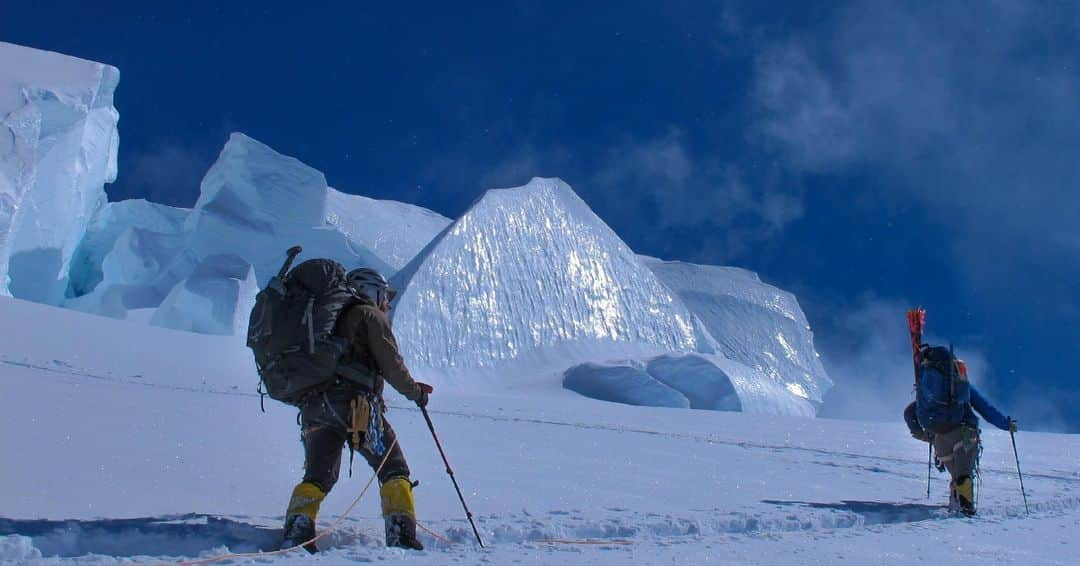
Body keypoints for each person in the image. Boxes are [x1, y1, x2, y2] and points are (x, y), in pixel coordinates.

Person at [280, 267, 433, 552]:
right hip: (356, 406)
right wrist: (415, 393)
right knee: (394, 468)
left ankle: (296, 532)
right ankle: (401, 536)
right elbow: (392, 364)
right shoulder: (369, 315)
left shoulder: (327, 317)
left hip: (315, 407)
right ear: (371, 290)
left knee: (317, 476)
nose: (386, 303)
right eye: (383, 295)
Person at [904, 353, 1017, 516]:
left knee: (957, 474)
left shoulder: (928, 395)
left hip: (939, 439)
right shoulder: (962, 388)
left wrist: (922, 434)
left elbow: (909, 412)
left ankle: (956, 503)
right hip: (964, 433)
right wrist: (1006, 424)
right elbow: (986, 410)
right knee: (964, 474)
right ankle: (966, 509)